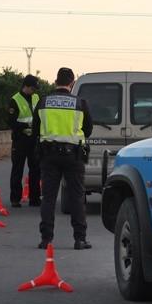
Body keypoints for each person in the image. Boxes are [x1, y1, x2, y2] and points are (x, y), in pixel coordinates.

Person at [33, 67, 93, 250]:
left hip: (49, 155)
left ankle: (46, 239)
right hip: (73, 156)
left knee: (48, 198)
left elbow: (36, 130)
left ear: (55, 81)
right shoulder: (80, 103)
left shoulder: (43, 102)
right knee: (76, 197)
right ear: (72, 83)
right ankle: (80, 239)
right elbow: (88, 130)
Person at [9, 74, 41, 208]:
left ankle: (35, 198)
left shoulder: (36, 97)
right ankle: (15, 199)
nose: (34, 91)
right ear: (25, 87)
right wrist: (27, 126)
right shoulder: (14, 100)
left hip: (34, 140)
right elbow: (11, 122)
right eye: (32, 88)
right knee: (17, 170)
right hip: (20, 140)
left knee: (35, 170)